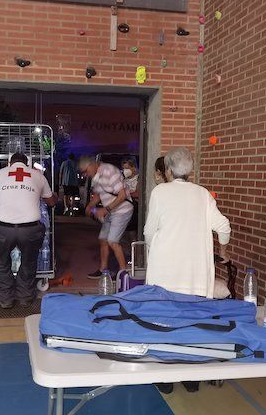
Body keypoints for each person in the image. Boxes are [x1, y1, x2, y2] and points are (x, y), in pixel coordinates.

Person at [144, 147, 232, 394]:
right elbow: (224, 227)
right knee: (192, 324)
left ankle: (165, 379)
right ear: (190, 170)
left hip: (165, 273)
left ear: (168, 170)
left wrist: (153, 248)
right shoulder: (202, 194)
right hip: (195, 274)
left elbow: (149, 231)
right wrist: (223, 252)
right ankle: (190, 378)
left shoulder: (160, 192)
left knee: (163, 324)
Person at [0, 152, 57, 308]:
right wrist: (55, 196)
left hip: (3, 229)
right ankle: (25, 298)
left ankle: (5, 300)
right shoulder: (38, 176)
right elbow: (51, 202)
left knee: (2, 262)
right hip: (31, 229)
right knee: (29, 262)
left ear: (10, 163)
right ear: (27, 164)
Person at [79, 156, 134, 278]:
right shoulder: (96, 176)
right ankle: (103, 269)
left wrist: (105, 209)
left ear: (92, 165)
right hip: (111, 211)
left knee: (112, 241)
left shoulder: (109, 171)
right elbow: (99, 195)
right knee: (103, 239)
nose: (85, 174)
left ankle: (123, 273)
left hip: (122, 210)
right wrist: (90, 206)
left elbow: (122, 195)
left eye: (86, 171)